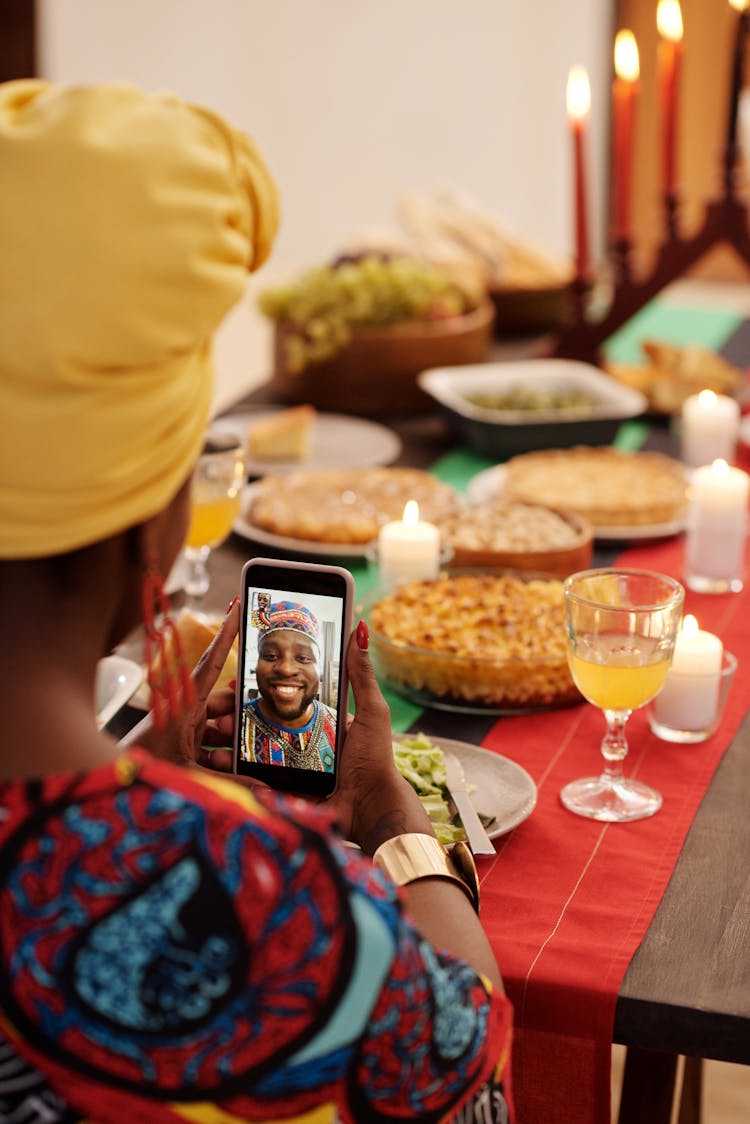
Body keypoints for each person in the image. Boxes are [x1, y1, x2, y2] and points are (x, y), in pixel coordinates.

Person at [0, 79, 513, 1123]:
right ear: (152, 514)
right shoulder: (260, 899)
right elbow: (472, 1084)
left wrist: (147, 778)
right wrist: (390, 816)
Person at [240, 600, 337, 771]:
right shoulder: (236, 725)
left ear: (318, 668)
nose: (286, 669)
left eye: (303, 658)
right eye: (270, 655)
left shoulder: (340, 727)